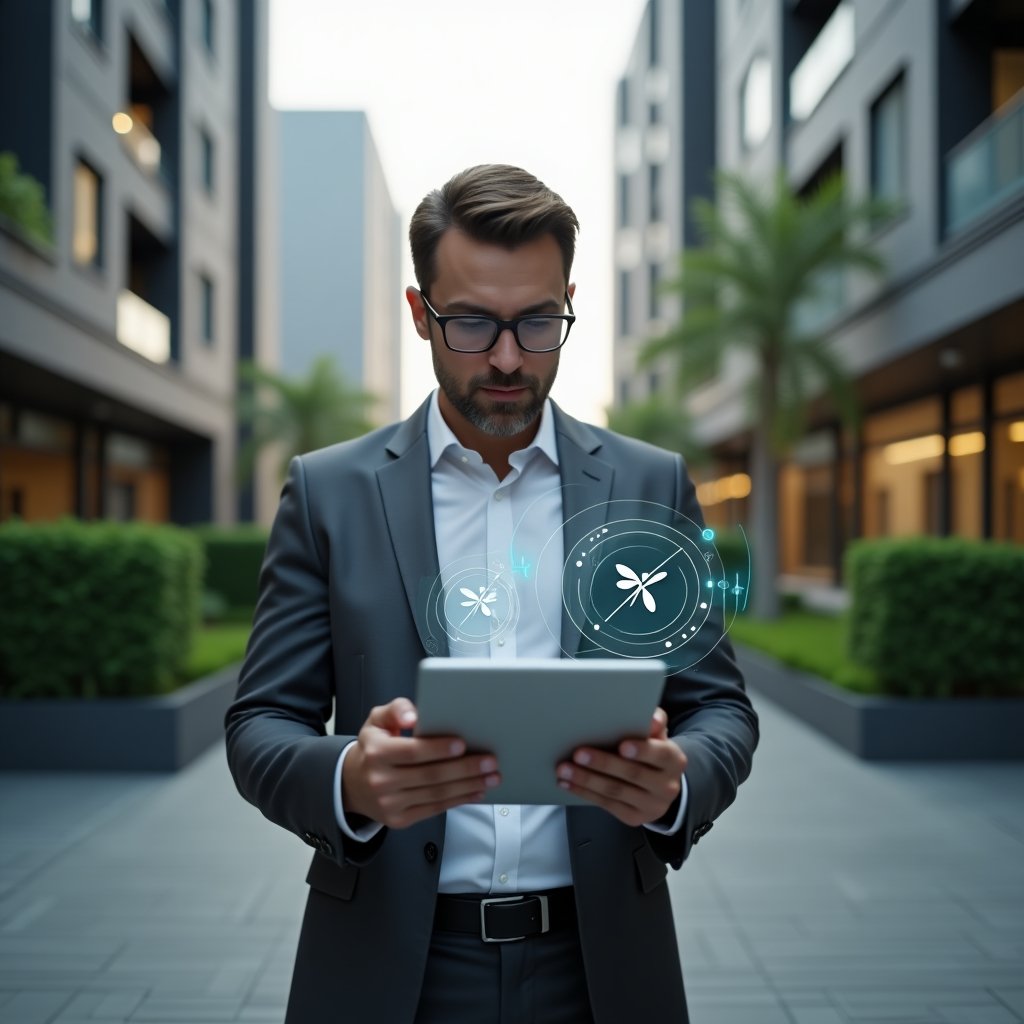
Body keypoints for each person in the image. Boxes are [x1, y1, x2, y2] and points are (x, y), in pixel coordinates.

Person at [225, 164, 758, 1023]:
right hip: (391, 970)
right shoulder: (330, 493)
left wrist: (678, 782)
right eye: (472, 323)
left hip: (602, 969)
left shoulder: (649, 483)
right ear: (418, 314)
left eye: (538, 322)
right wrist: (353, 781)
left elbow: (721, 709)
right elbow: (258, 727)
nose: (508, 358)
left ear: (568, 304)